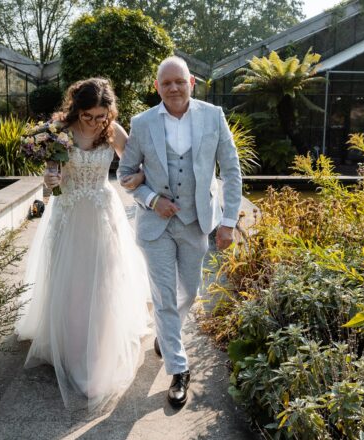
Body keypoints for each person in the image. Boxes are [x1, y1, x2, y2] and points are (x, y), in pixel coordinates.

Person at [15, 78, 150, 412]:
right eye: (89, 116)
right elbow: (52, 170)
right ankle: (74, 350)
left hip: (103, 212)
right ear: (77, 108)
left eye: (101, 116)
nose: (95, 122)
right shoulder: (59, 129)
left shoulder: (114, 131)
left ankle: (99, 348)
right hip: (69, 212)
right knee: (72, 281)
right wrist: (51, 177)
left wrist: (139, 178)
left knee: (103, 278)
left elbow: (136, 166)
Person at [117, 56, 242, 407]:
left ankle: (165, 333)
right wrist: (151, 198)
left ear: (191, 83)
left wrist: (229, 222)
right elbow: (124, 174)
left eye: (179, 81)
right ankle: (178, 368)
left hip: (196, 221)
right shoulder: (141, 123)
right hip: (155, 226)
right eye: (166, 83)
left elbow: (231, 171)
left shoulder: (213, 116)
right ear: (157, 87)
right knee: (163, 296)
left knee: (190, 291)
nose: (173, 88)